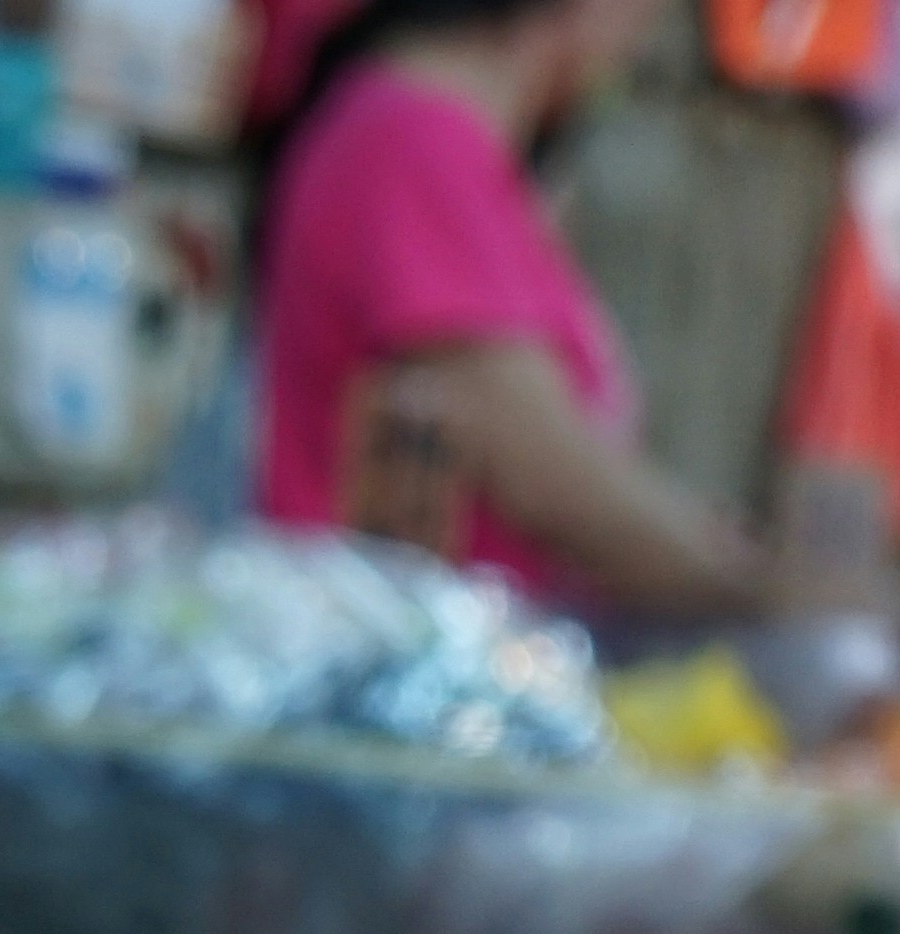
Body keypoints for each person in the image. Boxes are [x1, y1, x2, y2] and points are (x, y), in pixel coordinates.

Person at [241, 0, 765, 622]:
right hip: (405, 668)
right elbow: (549, 479)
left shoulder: (445, 144)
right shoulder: (413, 142)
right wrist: (762, 584)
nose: (643, 36)